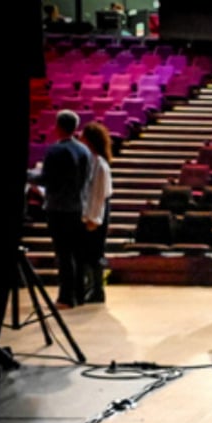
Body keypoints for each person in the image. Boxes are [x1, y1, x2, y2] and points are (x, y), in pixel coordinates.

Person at [27, 109, 92, 309]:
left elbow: (46, 179)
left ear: (58, 126)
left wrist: (29, 175)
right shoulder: (84, 150)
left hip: (59, 208)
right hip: (78, 205)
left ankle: (65, 297)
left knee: (63, 253)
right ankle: (79, 295)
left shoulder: (56, 150)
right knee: (76, 253)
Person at [80, 122, 114, 304]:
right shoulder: (90, 161)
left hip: (97, 212)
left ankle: (97, 290)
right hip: (92, 211)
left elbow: (98, 194)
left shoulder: (100, 164)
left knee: (95, 253)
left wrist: (93, 218)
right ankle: (90, 287)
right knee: (87, 253)